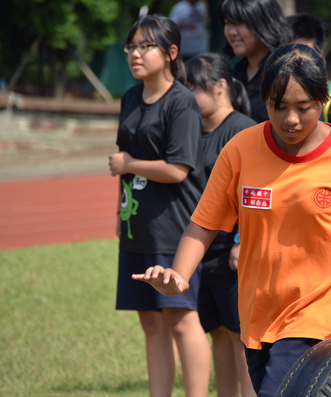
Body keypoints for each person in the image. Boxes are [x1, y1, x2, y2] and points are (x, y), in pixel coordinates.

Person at [132, 43, 331, 397]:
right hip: (258, 317)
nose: (291, 119)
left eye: (304, 107)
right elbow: (204, 223)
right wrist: (179, 275)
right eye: (278, 106)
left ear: (324, 99)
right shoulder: (240, 150)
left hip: (325, 319)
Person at [108, 15, 210, 397]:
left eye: (144, 46)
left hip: (173, 227)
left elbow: (179, 169)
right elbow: (125, 155)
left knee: (181, 319)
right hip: (137, 226)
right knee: (151, 322)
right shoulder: (131, 98)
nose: (135, 54)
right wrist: (119, 214)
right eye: (130, 47)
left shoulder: (181, 102)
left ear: (170, 53)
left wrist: (130, 165)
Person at [185, 52, 257, 397]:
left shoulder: (242, 129)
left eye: (193, 87)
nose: (187, 96)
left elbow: (253, 191)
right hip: (205, 250)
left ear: (219, 87)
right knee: (216, 332)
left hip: (232, 250)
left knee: (240, 335)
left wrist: (241, 240)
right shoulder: (194, 130)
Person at [219, 0, 291, 123]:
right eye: (228, 23)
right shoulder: (233, 75)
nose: (232, 32)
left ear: (265, 22)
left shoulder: (288, 72)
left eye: (239, 23)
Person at [286, 13, 331, 124]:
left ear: (319, 55)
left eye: (303, 52)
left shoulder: (330, 94)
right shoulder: (271, 89)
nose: (296, 60)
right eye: (290, 53)